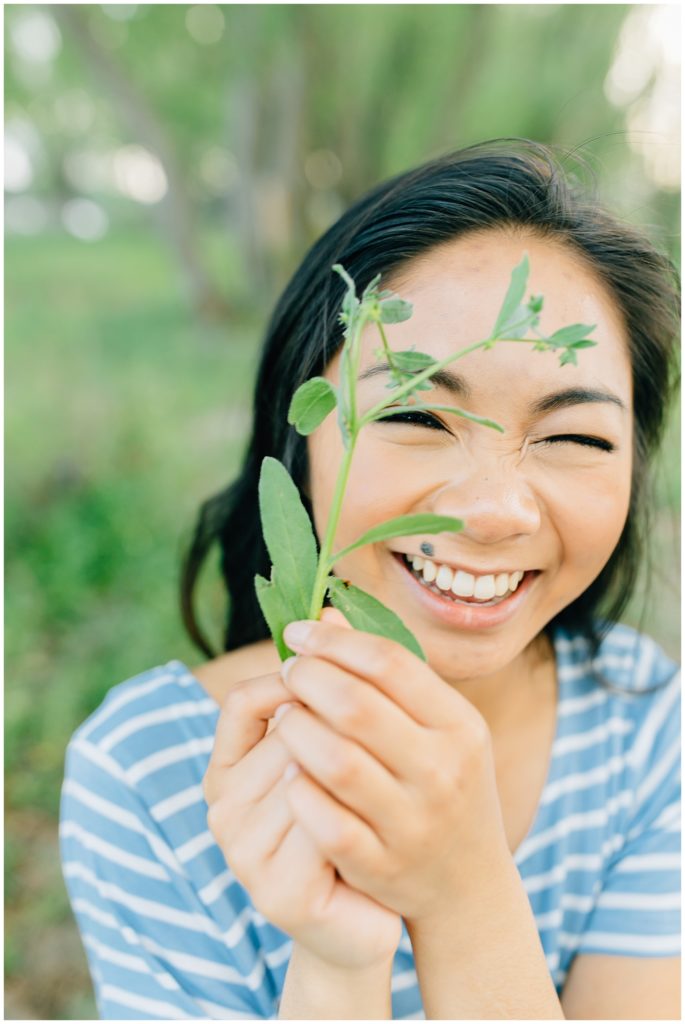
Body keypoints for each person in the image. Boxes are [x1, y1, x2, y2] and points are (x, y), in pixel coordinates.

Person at [60, 139, 680, 1020]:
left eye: (573, 438)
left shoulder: (647, 724)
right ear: (302, 427)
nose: (495, 509)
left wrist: (463, 892)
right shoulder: (146, 780)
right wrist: (338, 961)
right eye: (417, 411)